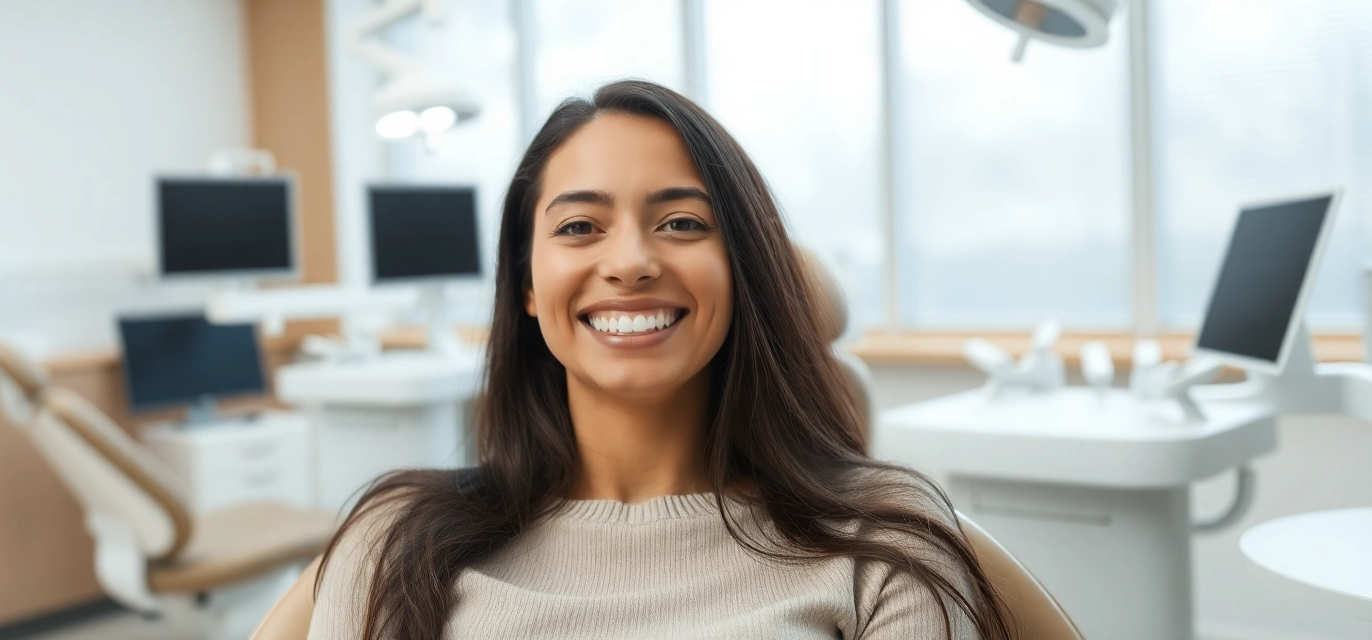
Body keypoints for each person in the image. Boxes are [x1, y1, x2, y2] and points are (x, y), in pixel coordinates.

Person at [308, 80, 1012, 639]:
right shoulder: (395, 542)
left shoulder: (885, 544)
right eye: (580, 226)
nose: (632, 263)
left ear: (742, 269)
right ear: (526, 285)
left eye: (682, 223)